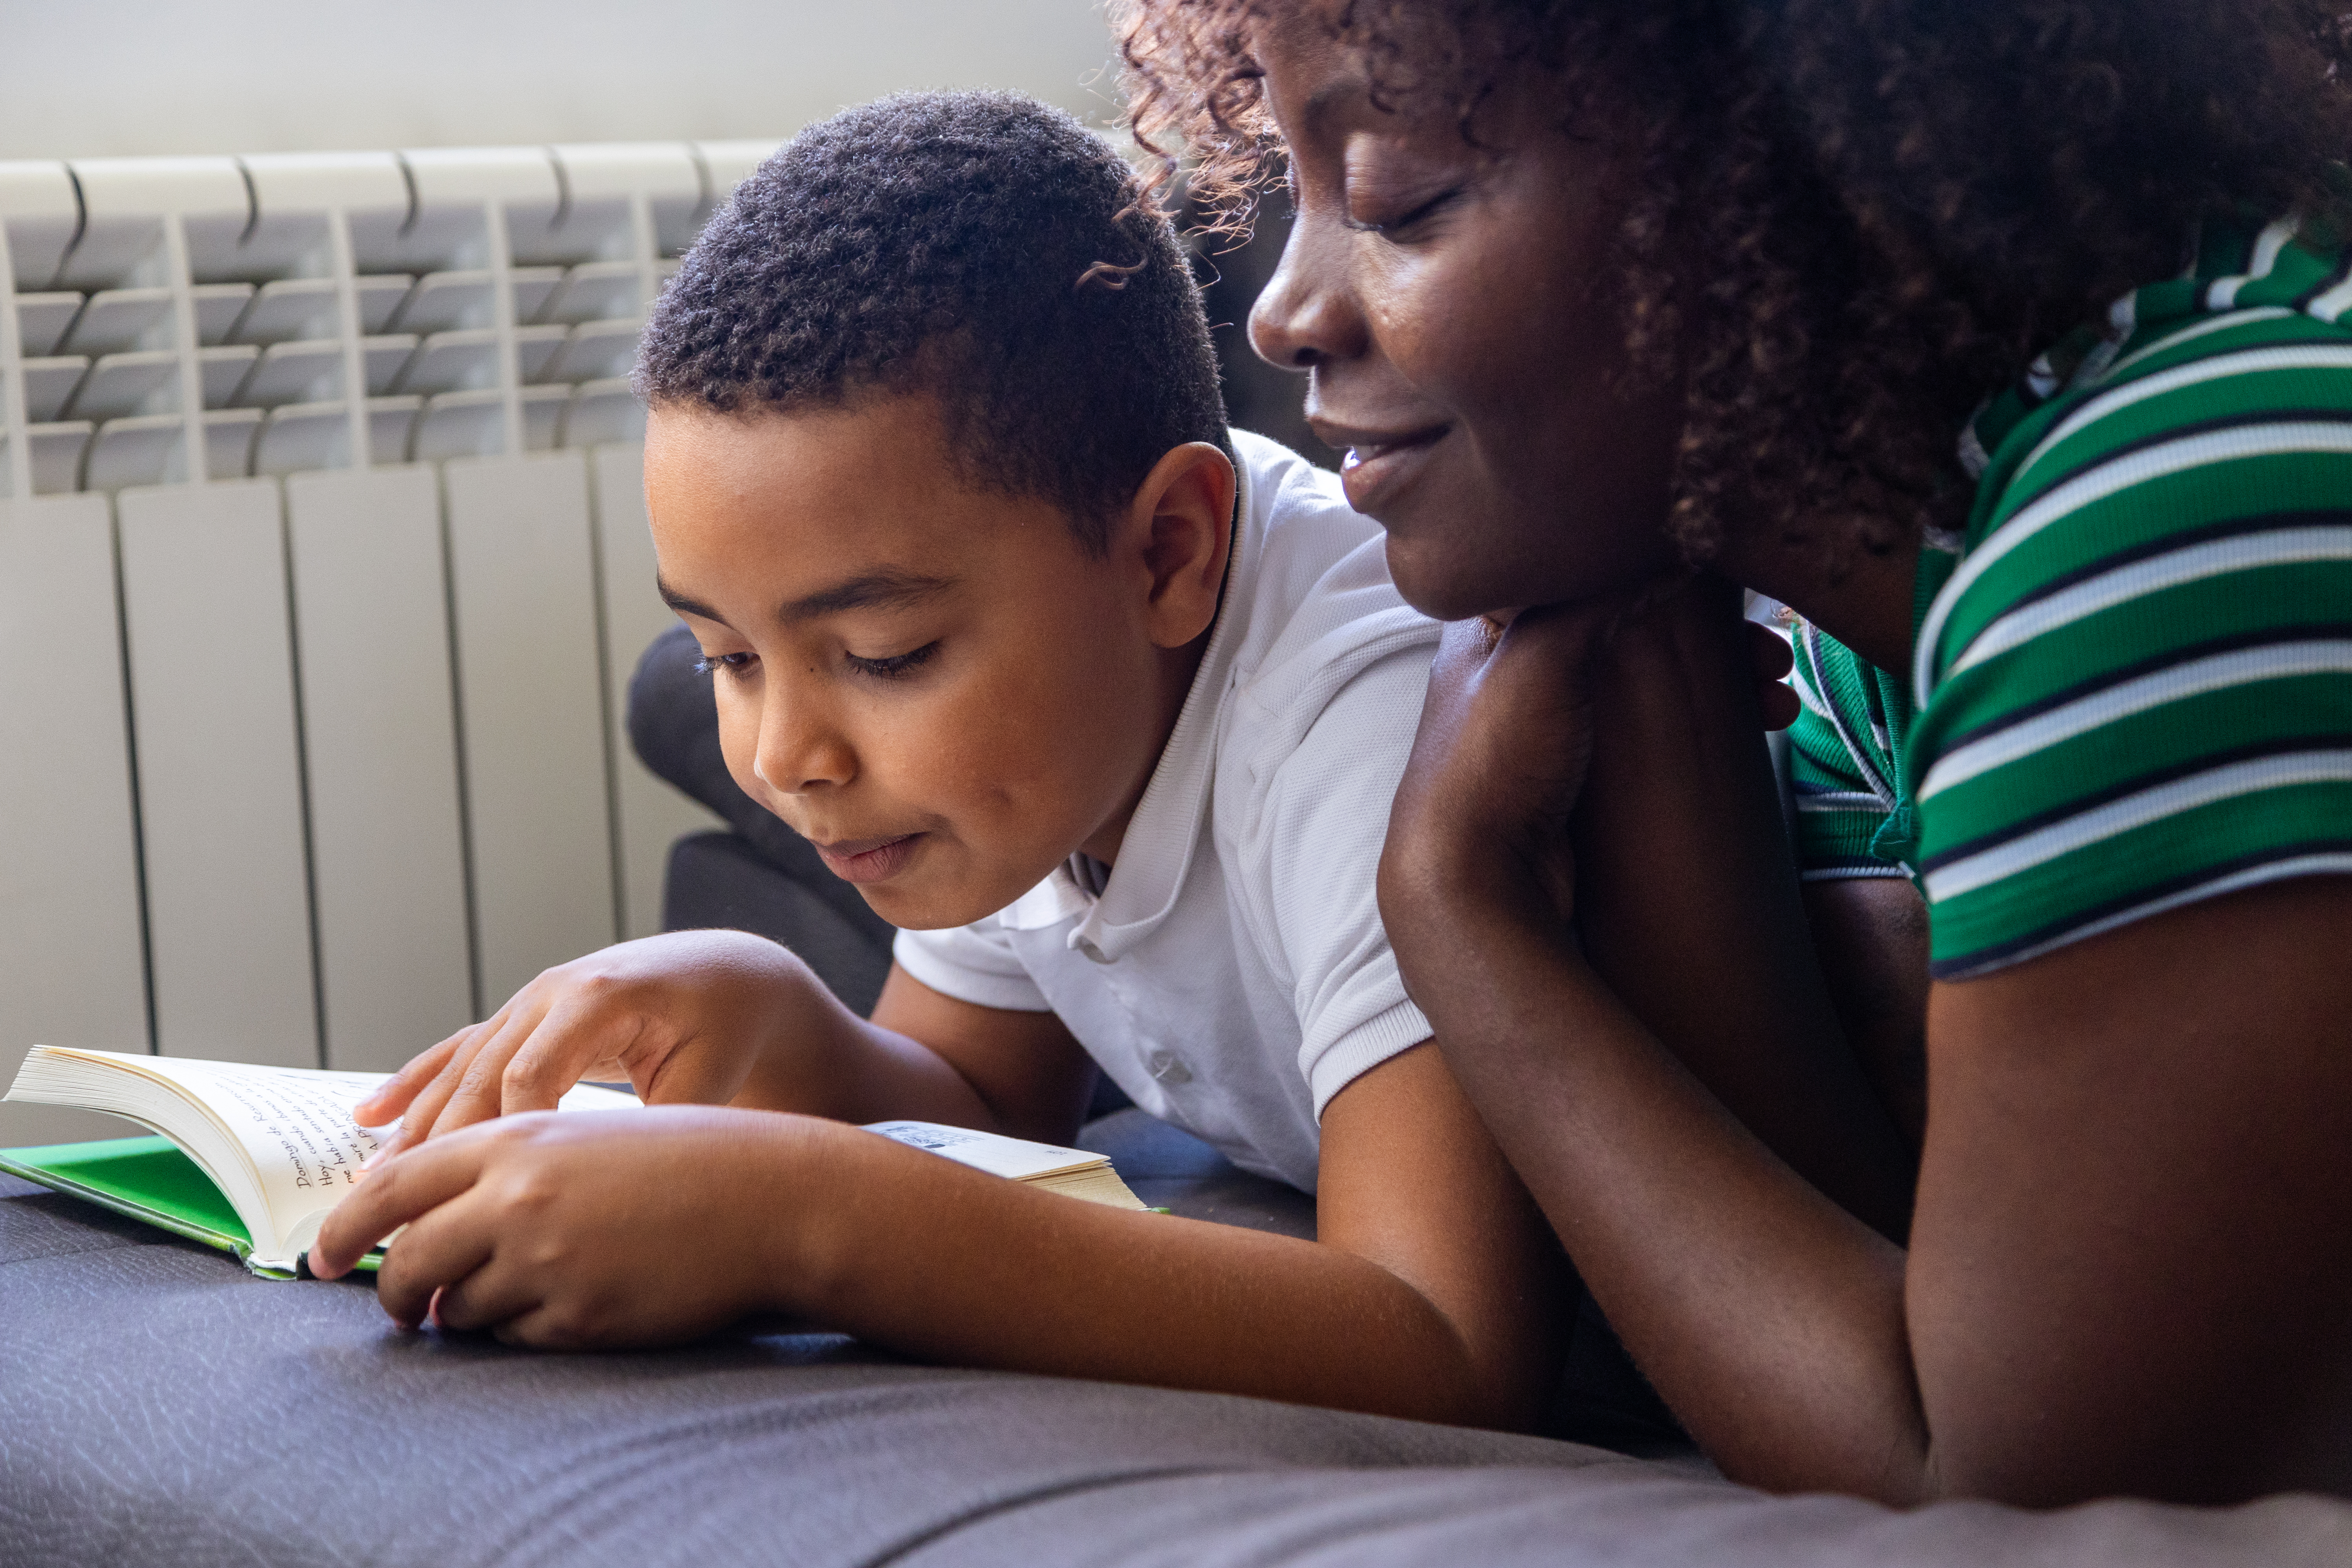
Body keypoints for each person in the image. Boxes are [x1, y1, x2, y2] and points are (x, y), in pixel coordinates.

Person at [1118, 0, 2352, 1506]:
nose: (1284, 311)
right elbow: (1877, 1280)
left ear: (1790, 162)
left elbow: (1996, 1480)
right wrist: (1660, 708)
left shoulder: (2177, 507)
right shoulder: (1845, 633)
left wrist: (1457, 914)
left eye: (1400, 201)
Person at [311, 91, 1567, 1433]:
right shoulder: (1035, 745)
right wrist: (778, 1020)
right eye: (727, 658)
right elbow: (982, 1100)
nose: (786, 757)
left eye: (887, 653)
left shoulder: (1376, 715)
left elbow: (1444, 1339)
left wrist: (806, 1218)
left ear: (1168, 556)